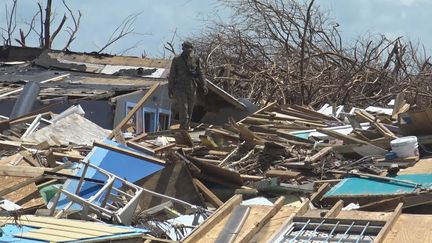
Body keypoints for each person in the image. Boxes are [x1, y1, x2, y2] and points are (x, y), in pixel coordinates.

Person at [168, 41, 208, 130]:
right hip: (180, 87)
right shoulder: (177, 59)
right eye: (187, 50)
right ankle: (183, 127)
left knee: (190, 109)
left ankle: (186, 126)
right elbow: (172, 75)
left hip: (191, 87)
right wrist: (170, 88)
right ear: (183, 49)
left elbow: (200, 72)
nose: (189, 52)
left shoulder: (196, 59)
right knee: (183, 108)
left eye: (190, 50)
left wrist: (204, 84)